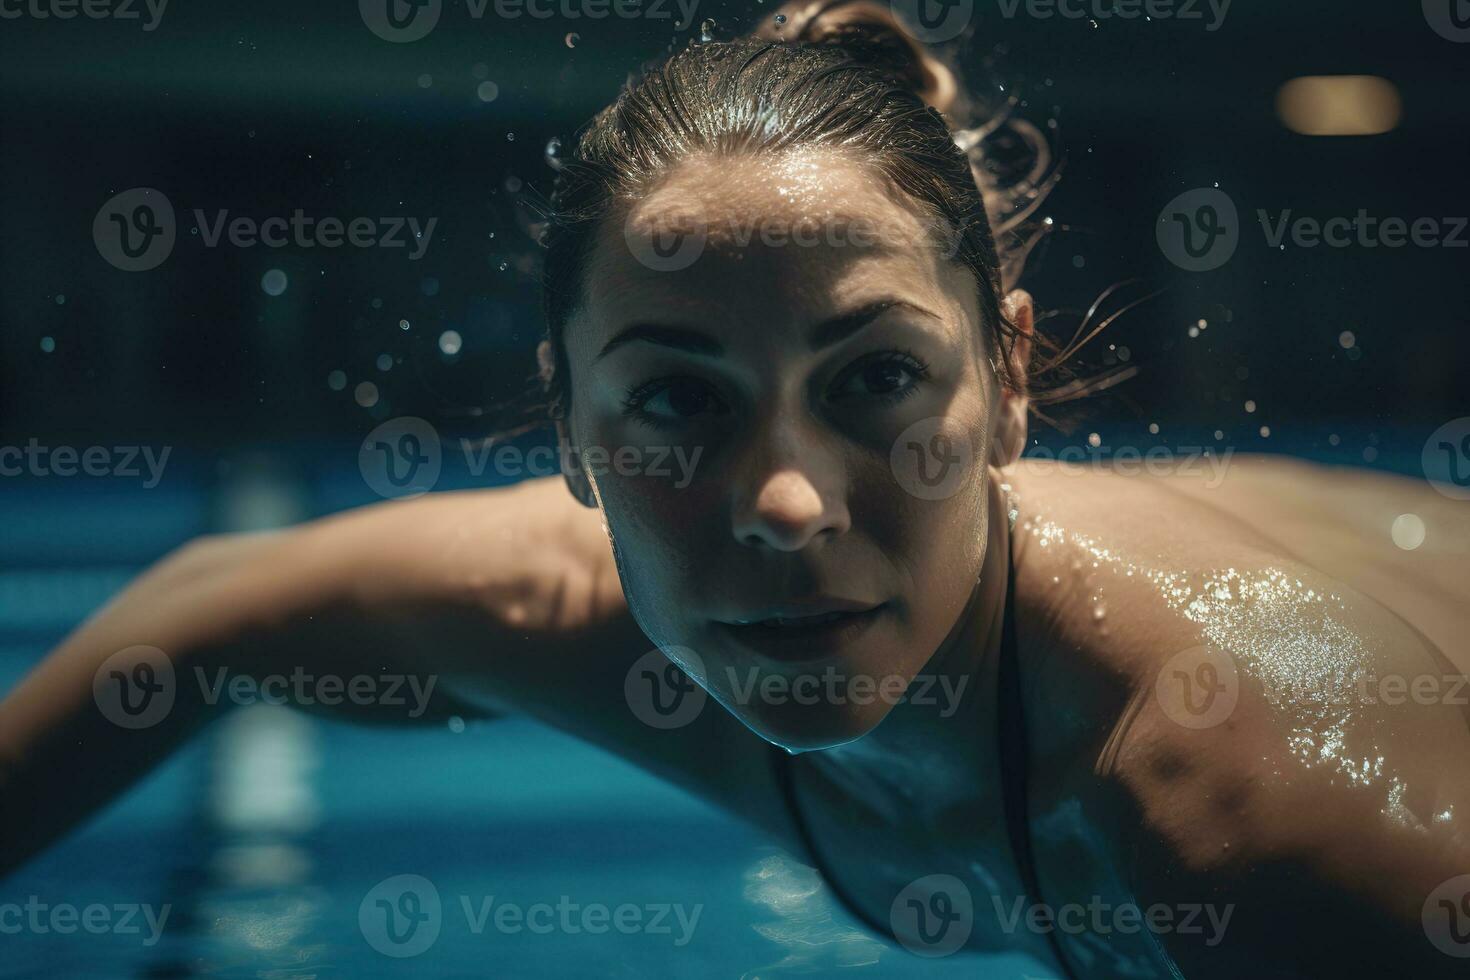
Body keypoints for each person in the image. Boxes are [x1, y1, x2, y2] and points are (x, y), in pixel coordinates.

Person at [3, 2, 1468, 975]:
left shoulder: (1269, 814)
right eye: (678, 403)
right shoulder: (563, 601)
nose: (781, 504)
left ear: (1007, 384)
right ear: (570, 436)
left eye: (875, 379)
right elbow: (197, 615)